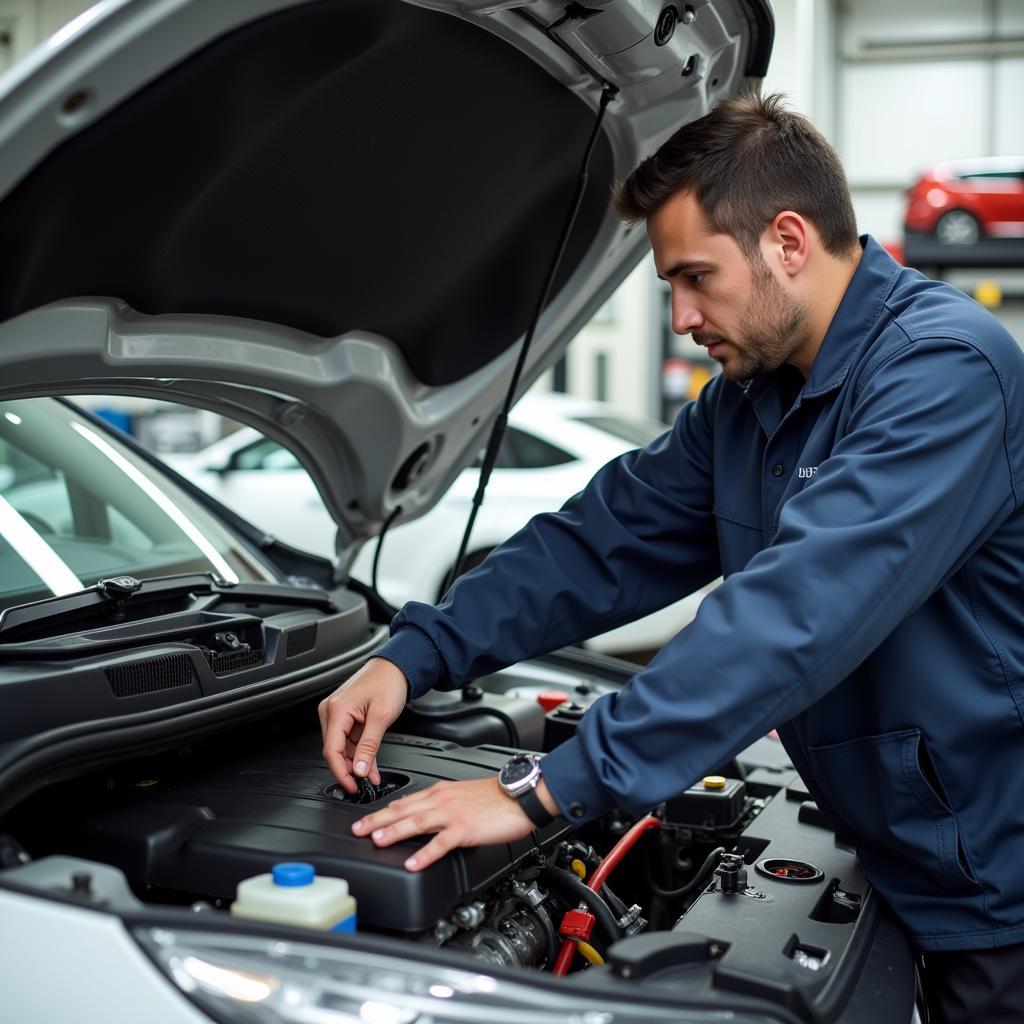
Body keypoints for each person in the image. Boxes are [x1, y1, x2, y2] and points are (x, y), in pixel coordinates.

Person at [318, 93, 1024, 1021]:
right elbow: (598, 542)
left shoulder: (945, 373)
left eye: (696, 277)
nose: (684, 316)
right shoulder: (749, 405)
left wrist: (544, 788)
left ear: (787, 240)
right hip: (899, 852)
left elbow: (794, 613)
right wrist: (416, 652)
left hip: (997, 888)